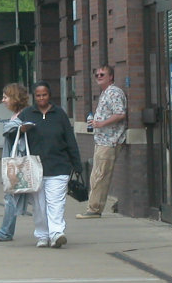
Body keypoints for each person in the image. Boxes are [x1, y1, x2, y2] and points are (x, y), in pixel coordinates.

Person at [18, 81, 81, 249]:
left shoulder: (59, 114)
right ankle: (42, 235)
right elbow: (11, 136)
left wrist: (76, 164)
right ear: (34, 97)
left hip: (59, 166)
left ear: (49, 95)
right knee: (39, 206)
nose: (41, 98)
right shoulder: (26, 114)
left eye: (44, 95)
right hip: (34, 169)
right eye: (38, 95)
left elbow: (70, 140)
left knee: (56, 202)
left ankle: (56, 234)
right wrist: (20, 130)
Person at [77, 65, 127, 219]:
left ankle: (94, 209)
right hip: (101, 140)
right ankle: (93, 207)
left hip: (110, 141)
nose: (99, 76)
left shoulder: (114, 93)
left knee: (101, 176)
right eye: (97, 74)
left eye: (102, 74)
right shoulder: (105, 93)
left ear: (111, 76)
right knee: (96, 175)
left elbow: (120, 114)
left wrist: (101, 123)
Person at [0, 83, 31, 242]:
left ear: (15, 98)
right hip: (15, 162)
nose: (3, 100)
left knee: (10, 197)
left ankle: (5, 232)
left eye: (6, 97)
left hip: (17, 163)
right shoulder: (18, 116)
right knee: (15, 197)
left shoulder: (22, 116)